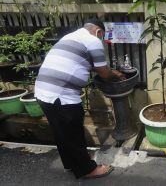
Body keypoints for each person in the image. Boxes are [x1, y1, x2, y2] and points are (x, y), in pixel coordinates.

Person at [34, 18, 125, 179]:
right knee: (74, 133)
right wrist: (116, 74)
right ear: (98, 32)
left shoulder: (70, 37)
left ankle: (71, 164)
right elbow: (104, 73)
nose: (101, 41)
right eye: (101, 37)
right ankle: (87, 170)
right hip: (61, 96)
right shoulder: (92, 40)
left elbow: (84, 63)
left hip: (42, 91)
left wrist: (106, 70)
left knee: (61, 133)